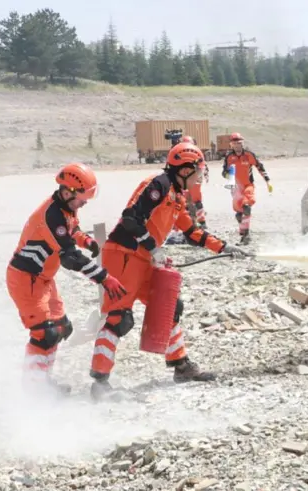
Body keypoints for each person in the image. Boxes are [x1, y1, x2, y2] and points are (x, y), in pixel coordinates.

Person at [89, 141, 249, 400]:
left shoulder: (177, 195)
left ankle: (180, 366)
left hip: (144, 258)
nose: (200, 177)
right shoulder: (159, 185)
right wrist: (154, 248)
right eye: (198, 171)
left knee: (169, 305)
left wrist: (223, 247)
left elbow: (191, 232)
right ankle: (100, 383)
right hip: (123, 255)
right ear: (184, 170)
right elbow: (130, 219)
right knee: (119, 318)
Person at [6, 162, 128, 395]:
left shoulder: (66, 209)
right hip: (26, 279)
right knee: (45, 333)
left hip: (43, 279)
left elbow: (72, 230)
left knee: (61, 328)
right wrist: (104, 278)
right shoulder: (51, 216)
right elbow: (70, 258)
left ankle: (42, 381)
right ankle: (33, 390)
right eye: (82, 198)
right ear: (67, 192)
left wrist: (86, 241)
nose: (84, 203)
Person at [221, 132, 272, 245]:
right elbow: (223, 172)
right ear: (231, 145)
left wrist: (267, 181)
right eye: (234, 143)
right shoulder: (229, 157)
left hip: (248, 185)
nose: (237, 145)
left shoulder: (249, 155)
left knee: (247, 207)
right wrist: (228, 174)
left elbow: (259, 167)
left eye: (239, 143)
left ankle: (246, 236)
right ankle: (243, 230)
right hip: (236, 188)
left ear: (242, 143)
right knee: (239, 214)